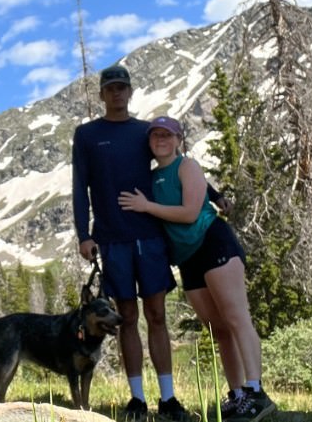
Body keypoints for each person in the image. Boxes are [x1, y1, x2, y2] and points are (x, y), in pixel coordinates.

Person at [72, 65, 227, 421]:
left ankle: (169, 399)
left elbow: (174, 163)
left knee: (157, 315)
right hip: (112, 239)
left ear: (130, 92)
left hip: (150, 235)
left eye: (122, 87)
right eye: (110, 88)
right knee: (126, 318)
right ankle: (137, 400)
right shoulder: (87, 135)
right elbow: (79, 186)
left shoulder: (144, 132)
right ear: (101, 94)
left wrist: (215, 196)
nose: (116, 93)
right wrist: (84, 234)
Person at [117, 116, 276, 422]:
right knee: (219, 330)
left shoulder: (187, 166)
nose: (161, 139)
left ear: (178, 140)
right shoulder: (150, 178)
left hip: (212, 242)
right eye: (155, 136)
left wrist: (147, 206)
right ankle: (238, 395)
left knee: (236, 316)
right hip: (187, 257)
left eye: (168, 134)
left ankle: (256, 392)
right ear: (149, 142)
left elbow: (190, 213)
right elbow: (205, 191)